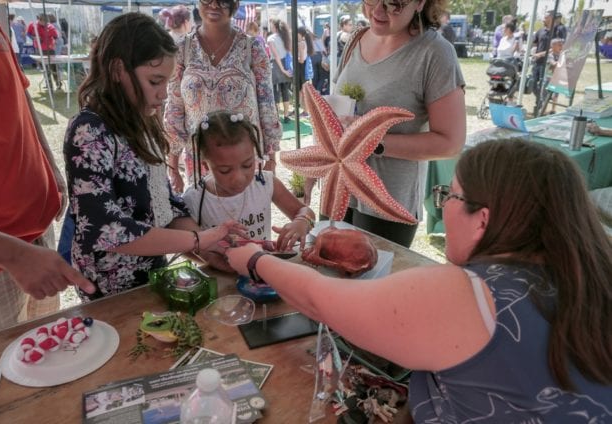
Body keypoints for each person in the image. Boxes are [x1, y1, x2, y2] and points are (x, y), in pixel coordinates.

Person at [226, 139, 612, 422]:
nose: (443, 205)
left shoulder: (472, 293)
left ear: (483, 219)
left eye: (450, 195)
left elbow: (319, 298)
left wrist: (256, 260)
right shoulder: (593, 275)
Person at [64, 13, 245, 302]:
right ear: (117, 69)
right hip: (109, 289)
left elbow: (163, 201)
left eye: (166, 83)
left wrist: (208, 246)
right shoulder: (90, 130)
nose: (163, 94)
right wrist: (199, 240)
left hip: (152, 273)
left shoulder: (140, 120)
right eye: (155, 81)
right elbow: (105, 229)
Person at [0, 0, 95, 337]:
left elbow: (18, 96)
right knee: (2, 379)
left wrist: (49, 168)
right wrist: (14, 257)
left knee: (45, 349)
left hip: (35, 234)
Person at [313, 0, 465, 248]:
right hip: (339, 188)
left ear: (419, 3)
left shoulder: (435, 53)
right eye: (371, 0)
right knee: (328, 271)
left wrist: (370, 142)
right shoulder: (356, 39)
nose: (377, 11)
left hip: (387, 203)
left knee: (371, 279)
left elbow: (450, 143)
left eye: (393, 4)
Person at [164, 0, 281, 194]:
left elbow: (267, 106)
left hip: (244, 161)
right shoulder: (181, 50)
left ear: (234, 4)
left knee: (248, 219)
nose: (214, 5)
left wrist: (272, 159)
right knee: (203, 220)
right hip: (200, 160)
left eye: (223, 1)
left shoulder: (252, 49)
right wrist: (173, 166)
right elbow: (175, 108)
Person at [182, 111, 315, 261]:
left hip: (262, 271)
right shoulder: (194, 199)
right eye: (225, 170)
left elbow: (306, 211)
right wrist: (210, 260)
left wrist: (302, 221)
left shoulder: (265, 183)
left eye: (247, 165)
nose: (238, 178)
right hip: (221, 279)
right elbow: (183, 246)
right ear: (206, 165)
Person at [531, 11, 566, 114]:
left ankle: (541, 106)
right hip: (537, 62)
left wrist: (541, 54)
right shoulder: (540, 30)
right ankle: (542, 101)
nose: (543, 19)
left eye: (545, 17)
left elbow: (557, 48)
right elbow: (534, 44)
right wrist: (533, 52)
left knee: (544, 84)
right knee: (533, 84)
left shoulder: (558, 31)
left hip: (548, 63)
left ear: (551, 18)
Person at [267, 19, 293, 123]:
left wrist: (282, 69)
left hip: (277, 66)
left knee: (276, 92)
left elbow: (276, 56)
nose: (270, 27)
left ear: (275, 27)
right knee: (285, 90)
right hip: (287, 64)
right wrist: (287, 69)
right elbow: (290, 53)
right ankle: (286, 115)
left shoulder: (271, 39)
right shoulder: (286, 37)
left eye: (271, 25)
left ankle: (277, 116)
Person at [27, 13, 61, 89]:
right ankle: (48, 85)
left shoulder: (50, 26)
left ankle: (58, 83)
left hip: (50, 49)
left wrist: (55, 42)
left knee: (54, 67)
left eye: (47, 22)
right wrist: (34, 37)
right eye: (44, 22)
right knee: (44, 68)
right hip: (39, 49)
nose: (46, 24)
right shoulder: (32, 25)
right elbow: (28, 34)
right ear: (39, 20)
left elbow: (56, 36)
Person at [295, 26, 314, 118]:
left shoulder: (301, 43)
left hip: (301, 68)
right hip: (303, 69)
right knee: (302, 91)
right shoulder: (305, 42)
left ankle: (305, 111)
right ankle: (302, 110)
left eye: (297, 33)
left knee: (302, 91)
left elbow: (301, 60)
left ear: (301, 34)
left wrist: (294, 59)